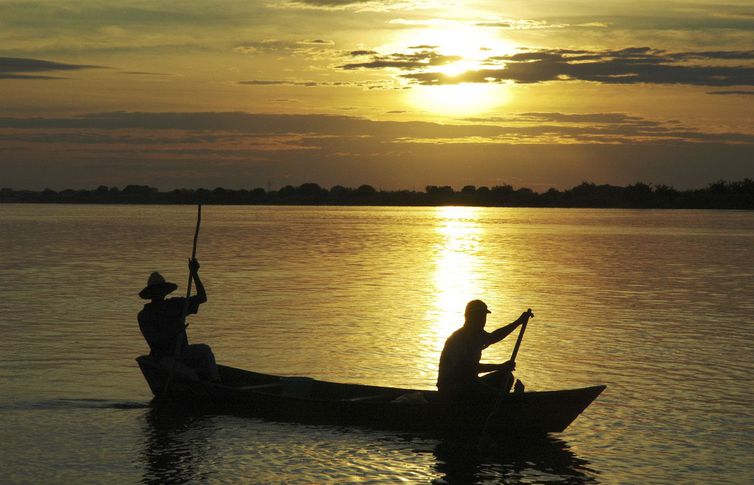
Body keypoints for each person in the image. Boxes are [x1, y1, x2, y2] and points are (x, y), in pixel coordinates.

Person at [138, 258, 220, 382]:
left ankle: (216, 382)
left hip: (182, 352)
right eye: (156, 290)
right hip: (163, 358)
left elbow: (202, 298)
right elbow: (154, 340)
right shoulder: (145, 315)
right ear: (151, 293)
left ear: (165, 291)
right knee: (191, 377)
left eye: (160, 289)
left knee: (205, 350)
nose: (158, 293)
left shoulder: (175, 304)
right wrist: (174, 331)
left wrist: (194, 274)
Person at [437, 299, 533, 400]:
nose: (482, 320)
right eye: (479, 316)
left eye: (484, 316)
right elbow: (469, 369)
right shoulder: (459, 339)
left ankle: (495, 401)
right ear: (469, 317)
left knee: (506, 377)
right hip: (452, 389)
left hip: (470, 383)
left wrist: (518, 322)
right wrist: (500, 366)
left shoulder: (478, 334)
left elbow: (495, 336)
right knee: (493, 393)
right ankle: (502, 401)